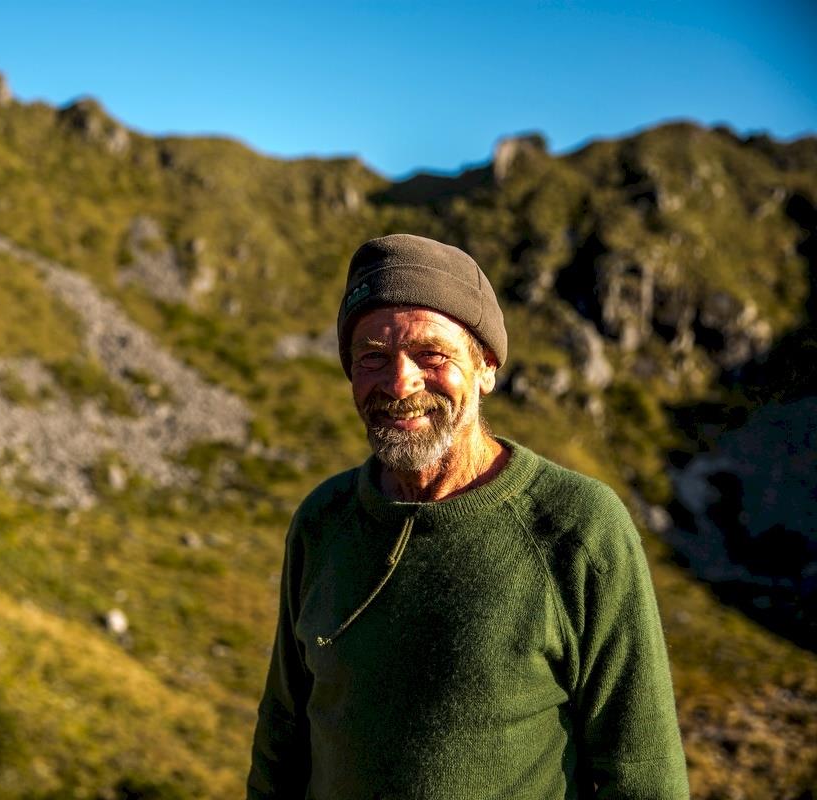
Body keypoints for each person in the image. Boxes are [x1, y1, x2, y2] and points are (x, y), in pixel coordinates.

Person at [247, 234, 689, 799]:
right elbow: (281, 737)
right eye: (372, 357)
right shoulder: (323, 520)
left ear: (486, 367)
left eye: (432, 355)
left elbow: (645, 773)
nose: (400, 382)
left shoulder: (580, 528)